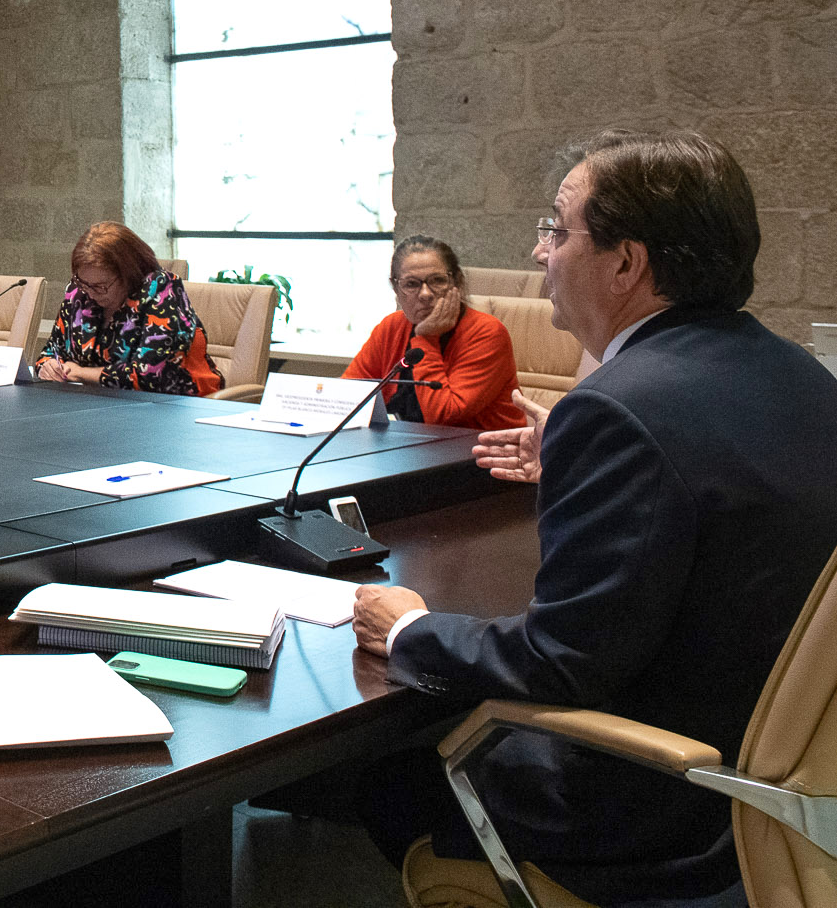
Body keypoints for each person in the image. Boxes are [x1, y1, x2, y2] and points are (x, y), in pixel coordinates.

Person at [350, 130, 837, 906]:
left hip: (655, 813)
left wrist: (410, 628)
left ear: (623, 263)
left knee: (364, 766)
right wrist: (584, 458)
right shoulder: (796, 372)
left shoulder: (620, 409)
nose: (539, 251)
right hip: (772, 786)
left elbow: (560, 661)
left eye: (556, 228)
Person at [341, 234, 523, 430]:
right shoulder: (390, 327)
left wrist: (426, 339)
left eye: (437, 281)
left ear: (457, 282)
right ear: (395, 288)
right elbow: (348, 397)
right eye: (411, 284)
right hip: (410, 449)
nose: (426, 294)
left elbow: (444, 416)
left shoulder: (487, 332)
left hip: (481, 453)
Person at [34, 222, 221, 396]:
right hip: (101, 403)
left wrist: (82, 373)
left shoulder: (161, 290)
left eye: (101, 286)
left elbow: (151, 374)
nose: (90, 293)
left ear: (128, 274)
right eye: (83, 283)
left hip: (177, 406)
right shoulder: (79, 293)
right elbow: (50, 352)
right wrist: (48, 366)